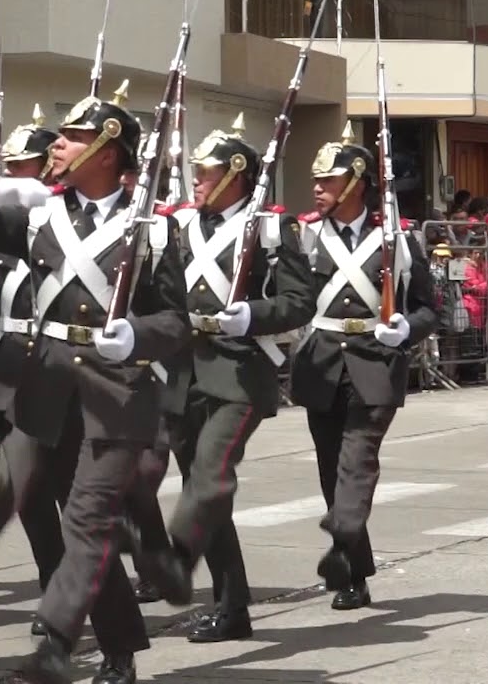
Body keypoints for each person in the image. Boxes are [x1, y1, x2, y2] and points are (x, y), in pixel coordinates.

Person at [0, 82, 188, 684]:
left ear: (108, 153)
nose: (58, 145)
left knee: (87, 521)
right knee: (70, 525)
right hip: (47, 388)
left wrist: (137, 336)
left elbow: (175, 321)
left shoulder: (155, 230)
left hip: (117, 394)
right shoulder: (38, 214)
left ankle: (56, 648)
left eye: (75, 137)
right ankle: (119, 645)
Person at [139, 116, 313, 641]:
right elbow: (157, 297)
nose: (197, 179)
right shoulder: (178, 225)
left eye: (207, 172)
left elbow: (299, 302)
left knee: (211, 477)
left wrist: (254, 314)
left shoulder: (269, 228)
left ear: (236, 174)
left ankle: (174, 561)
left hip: (239, 373)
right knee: (203, 490)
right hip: (181, 370)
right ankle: (231, 606)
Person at [290, 123, 437, 610]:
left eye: (327, 181)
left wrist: (406, 330)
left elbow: (428, 307)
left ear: (355, 182)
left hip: (375, 362)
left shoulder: (397, 237)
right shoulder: (305, 236)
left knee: (358, 461)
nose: (318, 189)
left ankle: (342, 535)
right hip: (321, 363)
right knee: (332, 470)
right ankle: (355, 571)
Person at [0, 104, 65, 637]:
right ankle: (54, 585)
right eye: (8, 165)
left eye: (23, 165)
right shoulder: (5, 220)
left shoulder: (64, 216)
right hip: (9, 367)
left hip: (61, 366)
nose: (12, 174)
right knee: (25, 487)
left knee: (79, 493)